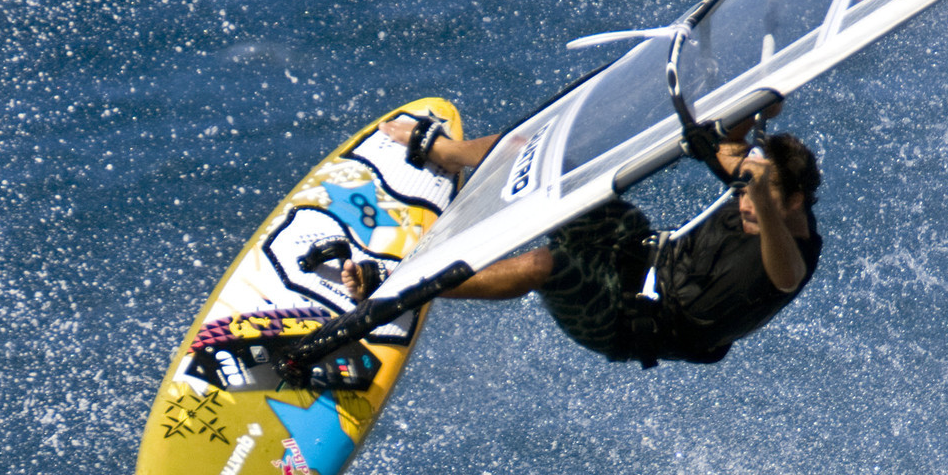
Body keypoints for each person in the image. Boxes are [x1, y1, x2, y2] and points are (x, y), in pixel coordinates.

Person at [345, 111, 823, 369]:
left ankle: (394, 289)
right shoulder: (754, 186)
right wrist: (758, 101)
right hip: (636, 250)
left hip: (632, 321)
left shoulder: (789, 257)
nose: (744, 202)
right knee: (544, 165)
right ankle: (444, 152)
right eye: (742, 189)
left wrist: (758, 194)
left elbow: (784, 271)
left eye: (758, 196)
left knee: (545, 266)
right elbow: (730, 138)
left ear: (795, 201)